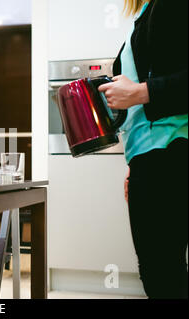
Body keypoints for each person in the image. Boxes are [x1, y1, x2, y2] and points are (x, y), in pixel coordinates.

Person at [98, 0, 188, 299]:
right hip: (153, 155)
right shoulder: (145, 12)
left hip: (172, 149)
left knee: (161, 272)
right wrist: (136, 163)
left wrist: (140, 92)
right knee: (163, 270)